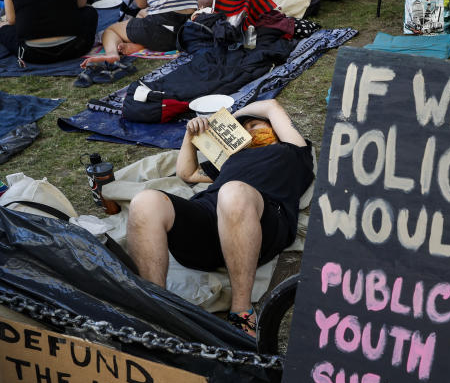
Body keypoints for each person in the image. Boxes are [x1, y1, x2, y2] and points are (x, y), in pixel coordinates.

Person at [127, 99, 315, 337]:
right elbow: (187, 173)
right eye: (242, 129)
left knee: (233, 192)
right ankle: (157, 311)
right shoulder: (231, 159)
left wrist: (228, 116)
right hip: (207, 222)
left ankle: (241, 312)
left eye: (254, 125)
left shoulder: (294, 151)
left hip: (262, 220)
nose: (247, 131)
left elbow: (271, 106)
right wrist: (190, 136)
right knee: (144, 201)